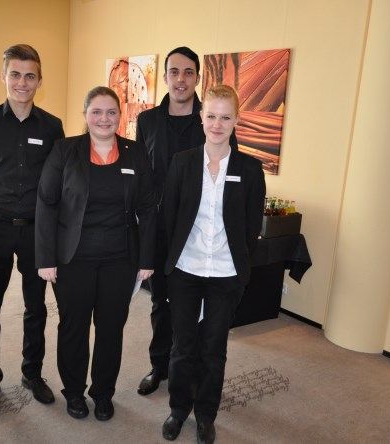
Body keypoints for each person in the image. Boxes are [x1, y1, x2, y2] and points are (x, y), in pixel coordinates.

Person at [35, 86, 156, 421]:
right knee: (73, 327)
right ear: (85, 115)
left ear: (120, 116)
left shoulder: (135, 153)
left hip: (120, 259)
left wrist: (147, 258)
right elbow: (46, 203)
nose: (104, 119)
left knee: (110, 329)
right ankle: (74, 392)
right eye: (97, 112)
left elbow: (148, 207)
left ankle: (103, 393)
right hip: (73, 259)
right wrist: (45, 258)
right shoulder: (65, 150)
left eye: (111, 112)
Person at [0, 44, 65, 417]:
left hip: (36, 232)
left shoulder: (52, 126)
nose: (22, 83)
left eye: (30, 76)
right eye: (15, 74)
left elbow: (57, 182)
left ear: (39, 80)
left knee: (35, 307)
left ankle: (31, 374)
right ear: (4, 76)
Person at [160, 85, 265, 443]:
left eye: (225, 117)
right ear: (201, 118)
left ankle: (205, 415)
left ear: (236, 120)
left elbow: (251, 228)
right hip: (186, 270)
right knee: (182, 347)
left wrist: (241, 270)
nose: (217, 124)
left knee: (213, 350)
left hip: (225, 274)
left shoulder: (250, 169)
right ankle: (178, 410)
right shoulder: (183, 162)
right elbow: (169, 218)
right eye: (211, 116)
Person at [135, 46, 238, 396]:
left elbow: (230, 171)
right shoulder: (147, 121)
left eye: (188, 72)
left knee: (199, 309)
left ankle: (193, 369)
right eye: (174, 72)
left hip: (198, 232)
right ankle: (159, 366)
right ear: (165, 77)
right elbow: (142, 176)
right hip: (161, 231)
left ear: (198, 77)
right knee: (161, 303)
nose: (181, 79)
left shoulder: (211, 119)